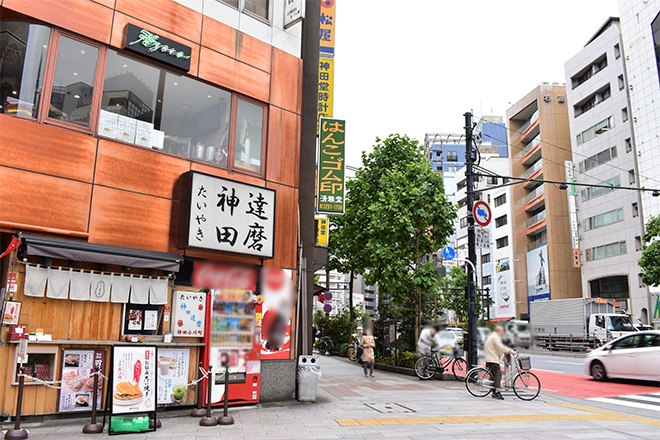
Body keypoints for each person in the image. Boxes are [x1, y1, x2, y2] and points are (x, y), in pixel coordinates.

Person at [484, 326, 516, 400]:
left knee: (493, 375)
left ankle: (493, 390)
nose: (503, 333)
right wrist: (511, 351)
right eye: (502, 332)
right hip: (493, 359)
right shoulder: (495, 337)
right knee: (498, 374)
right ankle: (497, 391)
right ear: (498, 331)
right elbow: (501, 347)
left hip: (490, 358)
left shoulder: (493, 336)